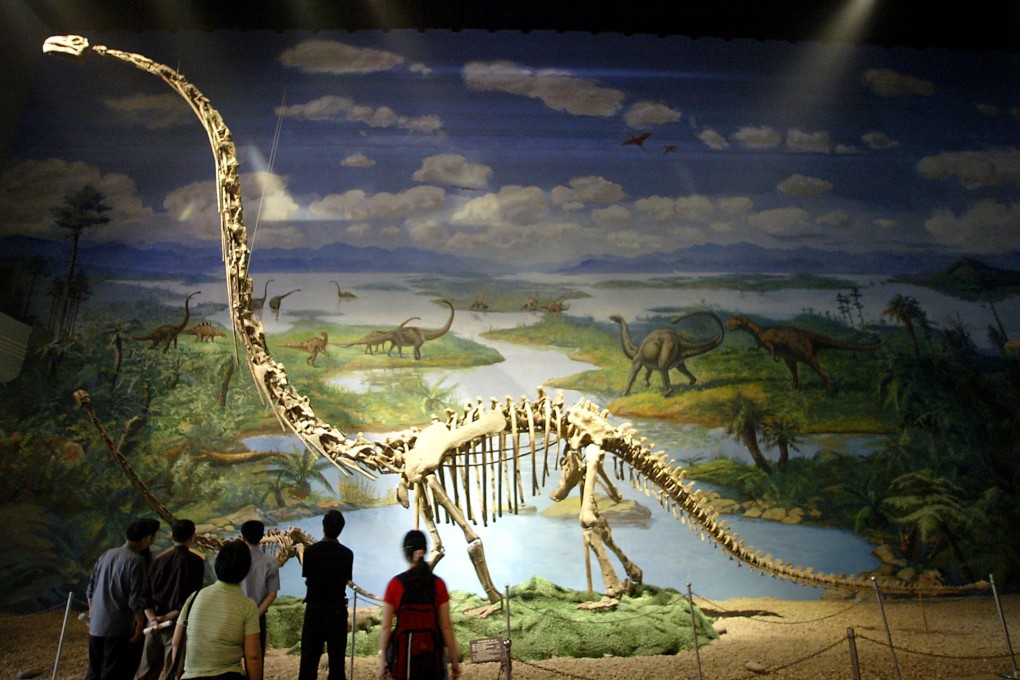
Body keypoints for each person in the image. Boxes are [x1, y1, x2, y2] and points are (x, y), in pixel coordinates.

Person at [376, 530, 462, 680]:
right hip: (433, 657)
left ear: (406, 553)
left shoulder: (395, 584)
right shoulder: (438, 584)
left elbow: (386, 626)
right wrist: (454, 662)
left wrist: (383, 660)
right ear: (426, 551)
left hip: (404, 659)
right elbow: (446, 626)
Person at [172, 540, 261, 680]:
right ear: (246, 569)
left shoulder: (194, 597)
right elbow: (252, 655)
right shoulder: (248, 606)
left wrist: (177, 673)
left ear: (217, 565)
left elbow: (177, 641)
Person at [135, 519, 205, 680]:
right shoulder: (196, 563)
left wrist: (152, 619)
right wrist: (166, 618)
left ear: (172, 536)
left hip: (152, 626)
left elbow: (145, 595)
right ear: (192, 536)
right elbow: (191, 599)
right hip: (176, 625)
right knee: (172, 672)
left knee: (145, 672)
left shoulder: (158, 561)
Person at [86, 519, 149, 680]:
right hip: (118, 626)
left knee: (94, 671)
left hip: (97, 625)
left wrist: (93, 613)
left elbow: (90, 589)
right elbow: (135, 599)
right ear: (145, 539)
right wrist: (140, 623)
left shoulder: (106, 554)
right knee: (112, 672)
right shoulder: (137, 560)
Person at [298, 509, 354, 680]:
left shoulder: (310, 552)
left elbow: (308, 580)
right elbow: (345, 580)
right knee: (337, 662)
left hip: (315, 610)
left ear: (323, 527)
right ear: (341, 529)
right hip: (336, 611)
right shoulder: (347, 554)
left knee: (308, 660)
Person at [239, 520, 279, 660]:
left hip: (235, 615)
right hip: (257, 617)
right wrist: (256, 614)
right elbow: (272, 592)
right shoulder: (271, 562)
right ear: (262, 536)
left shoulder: (235, 559)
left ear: (243, 537)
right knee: (256, 658)